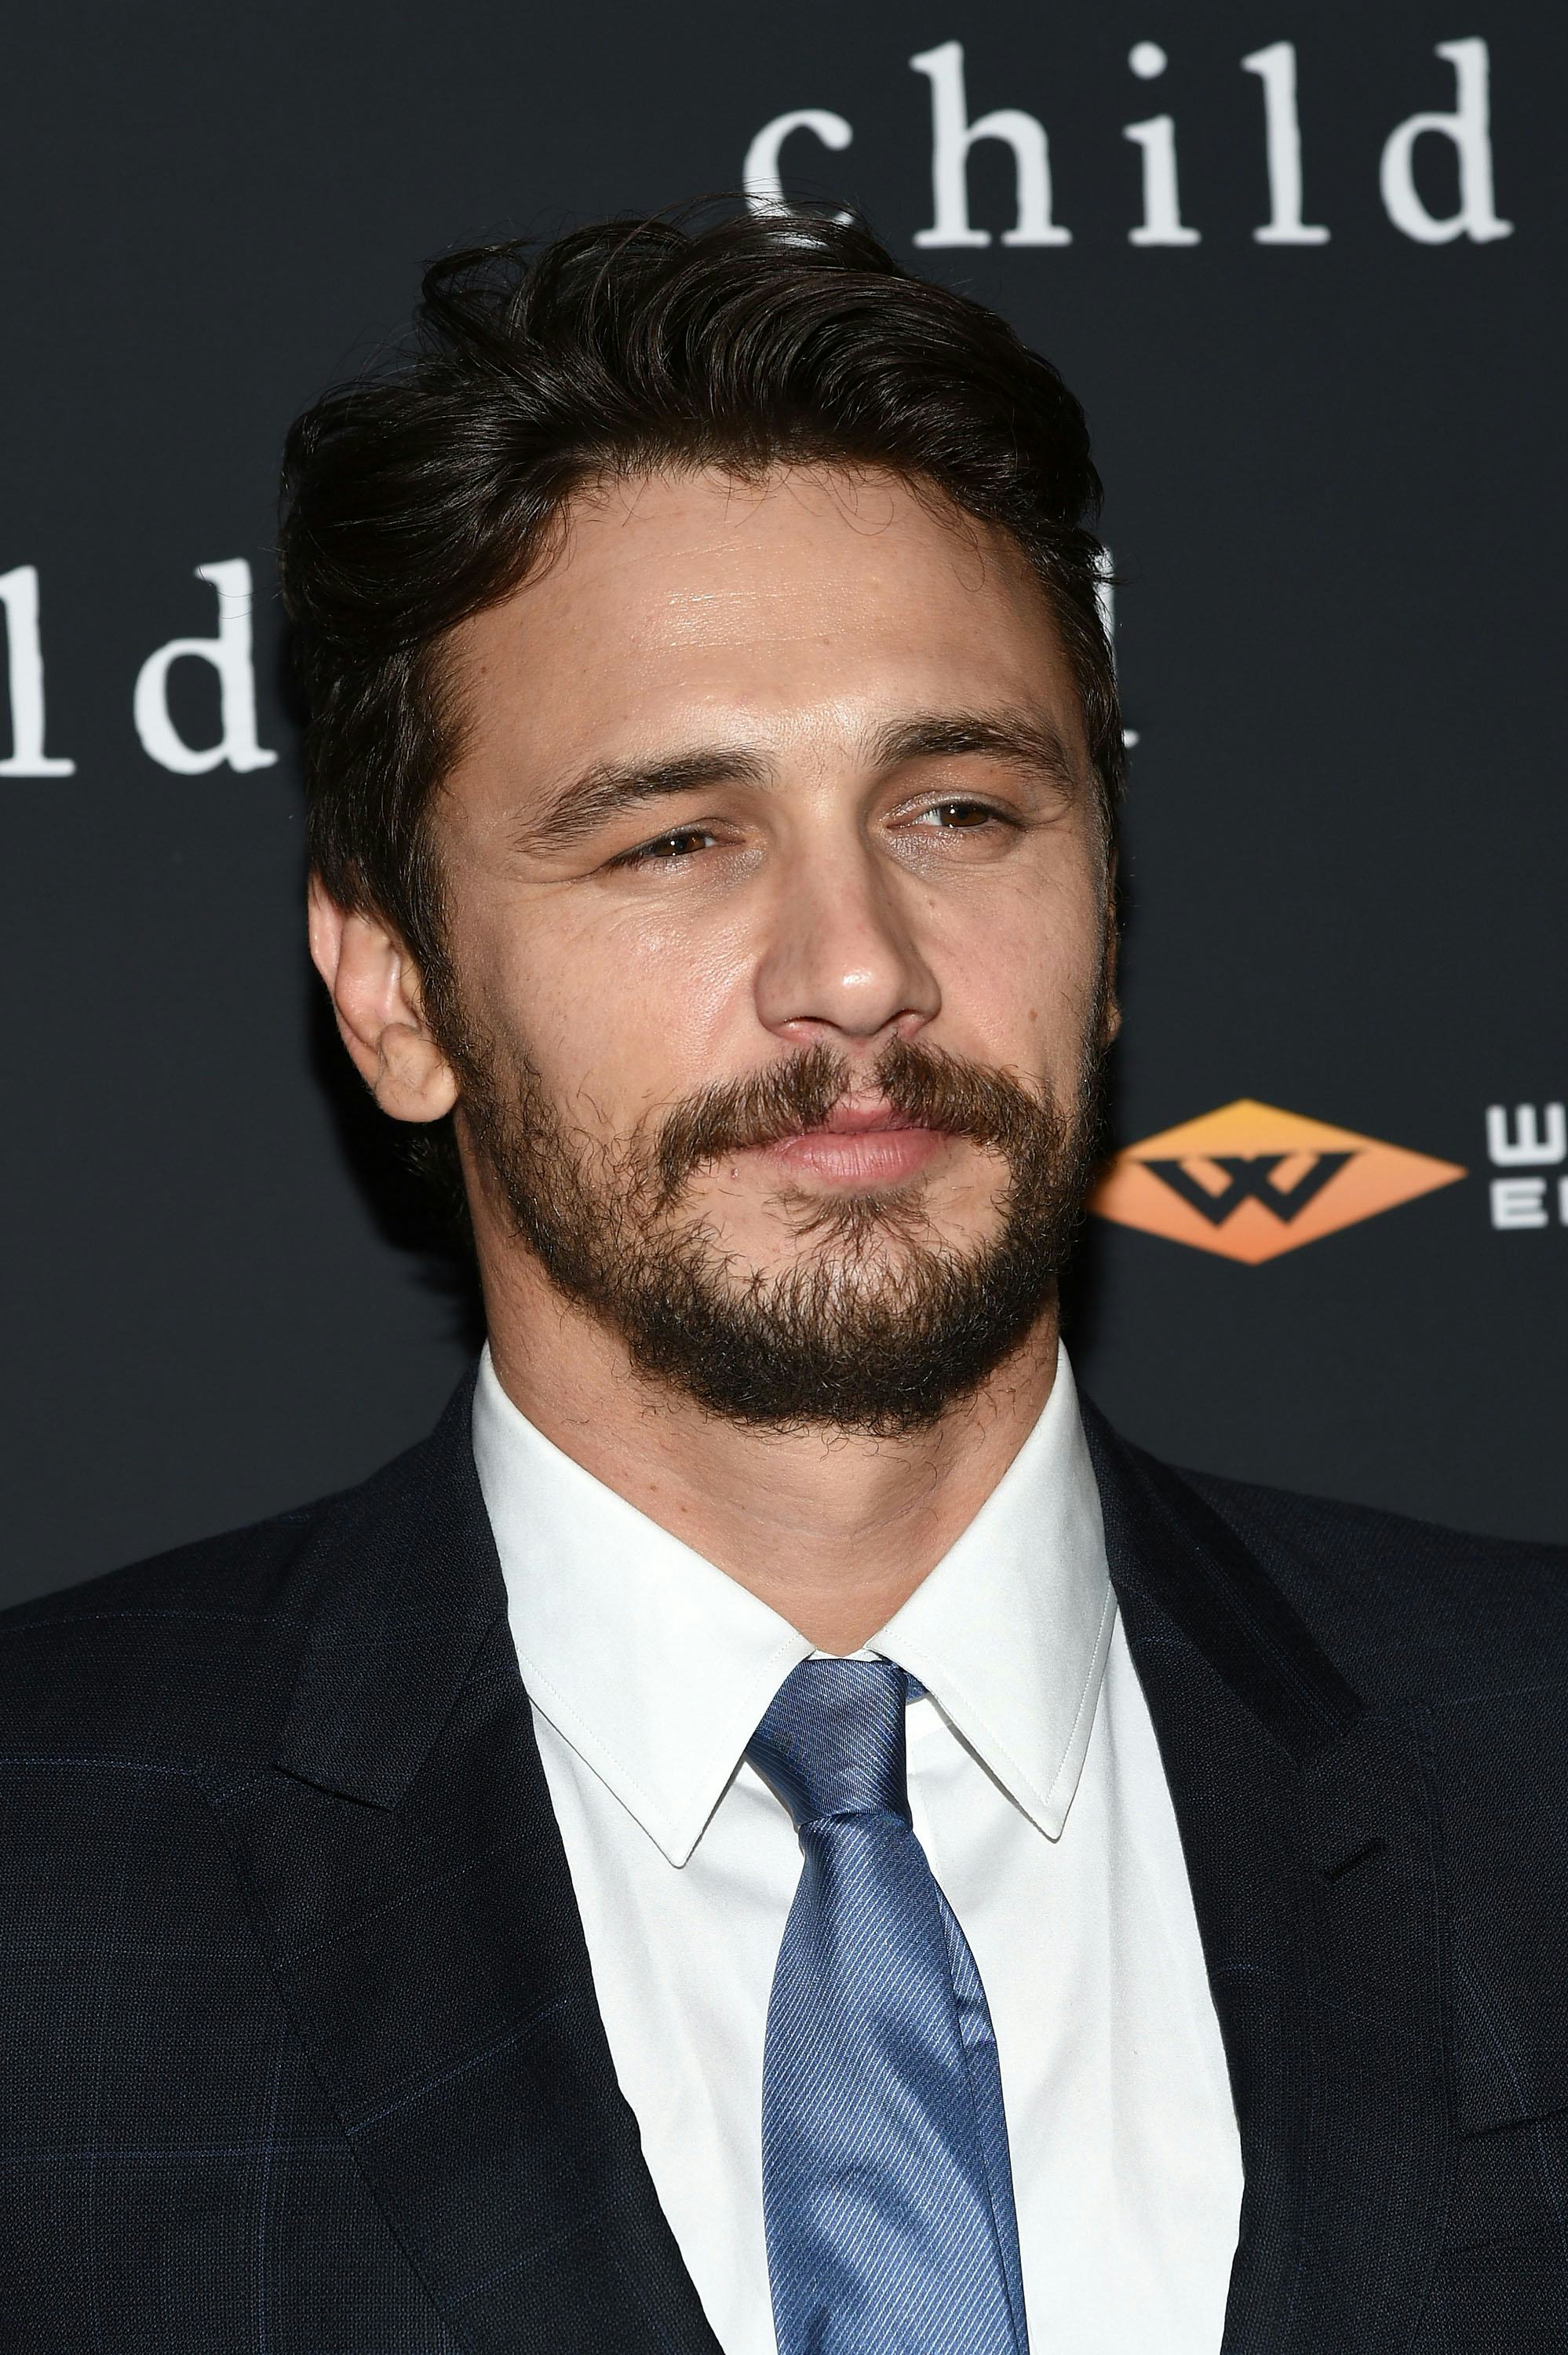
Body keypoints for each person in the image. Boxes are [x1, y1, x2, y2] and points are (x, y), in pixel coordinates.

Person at [2, 208, 1563, 2355]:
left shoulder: (1532, 1762)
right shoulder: (47, 1900)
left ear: (1109, 907)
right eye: (677, 839)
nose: (858, 968)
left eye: (957, 811)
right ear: (392, 988)